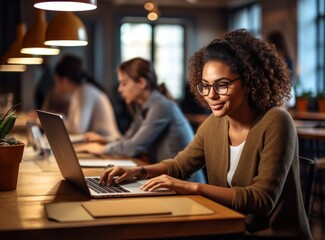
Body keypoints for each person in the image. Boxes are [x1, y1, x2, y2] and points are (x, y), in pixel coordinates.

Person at [98, 30, 312, 239]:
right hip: (230, 226)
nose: (211, 95)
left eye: (222, 85)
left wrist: (193, 187)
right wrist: (137, 172)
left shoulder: (276, 121)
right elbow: (180, 165)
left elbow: (262, 200)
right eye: (206, 86)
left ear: (248, 81)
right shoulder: (215, 123)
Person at [77, 57, 206, 183]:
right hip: (166, 180)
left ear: (141, 83)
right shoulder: (143, 107)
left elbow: (133, 147)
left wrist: (102, 149)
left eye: (124, 83)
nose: (119, 89)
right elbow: (128, 139)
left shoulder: (160, 106)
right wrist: (104, 141)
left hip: (185, 183)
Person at [43, 54, 121, 140]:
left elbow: (79, 129)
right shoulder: (80, 91)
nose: (55, 86)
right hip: (98, 145)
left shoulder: (85, 92)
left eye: (56, 81)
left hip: (109, 145)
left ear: (64, 80)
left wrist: (53, 122)